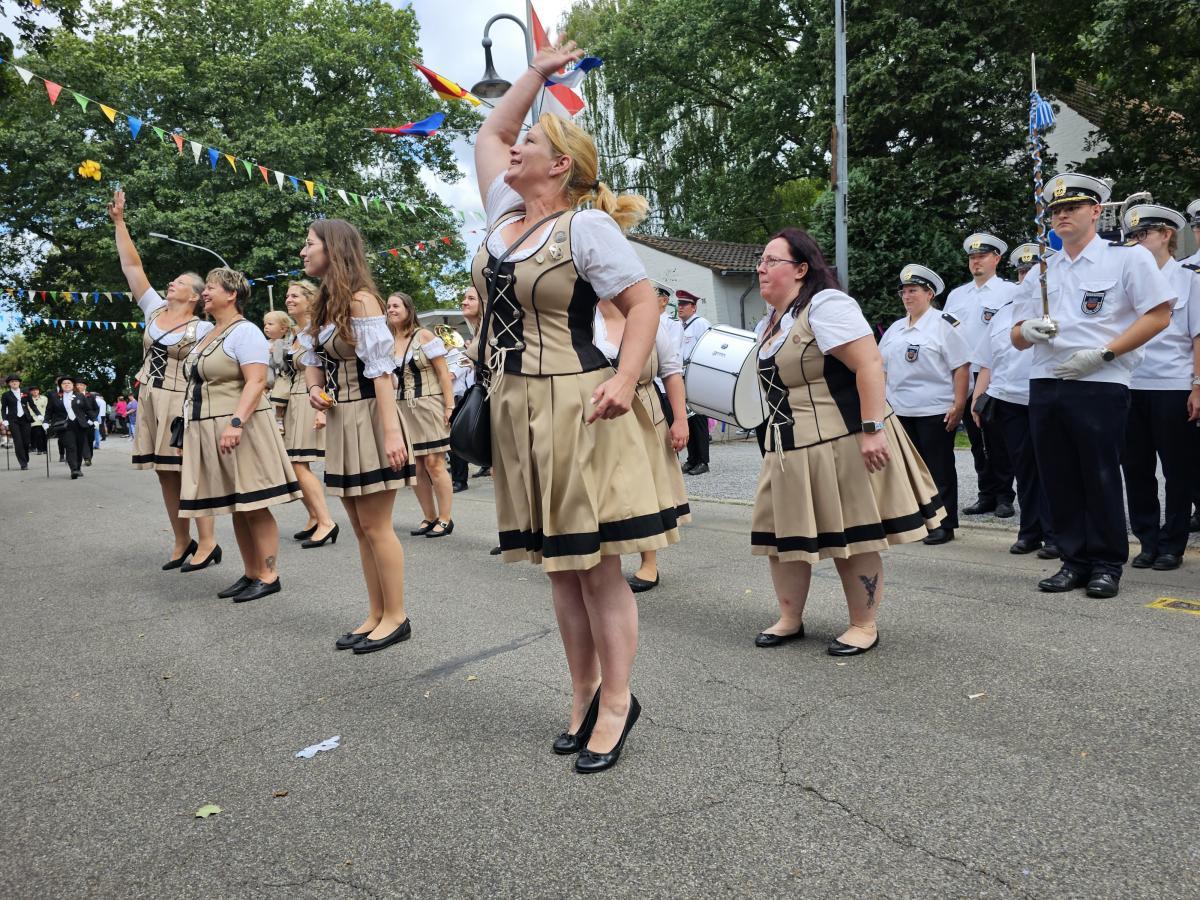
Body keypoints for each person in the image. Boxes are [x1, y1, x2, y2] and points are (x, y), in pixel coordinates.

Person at [472, 39, 672, 773]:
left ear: (560, 165)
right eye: (523, 141)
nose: (516, 148)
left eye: (533, 143)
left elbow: (642, 300)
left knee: (597, 569)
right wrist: (536, 75)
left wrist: (624, 378)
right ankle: (583, 690)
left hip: (575, 403)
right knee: (559, 568)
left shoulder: (584, 226)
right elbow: (489, 133)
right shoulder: (503, 215)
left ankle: (618, 701)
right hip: (516, 406)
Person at [752, 228, 944, 655]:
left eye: (771, 261)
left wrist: (872, 429)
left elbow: (869, 364)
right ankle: (789, 618)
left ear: (801, 269)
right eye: (760, 262)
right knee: (783, 538)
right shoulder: (770, 323)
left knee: (851, 537)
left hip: (840, 439)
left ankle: (864, 623)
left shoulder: (826, 306)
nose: (761, 269)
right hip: (788, 446)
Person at [1010, 172, 1174, 598]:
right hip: (1048, 380)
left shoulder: (1126, 260)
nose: (1062, 215)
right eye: (1056, 210)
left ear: (1096, 211)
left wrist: (1104, 354)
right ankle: (1073, 559)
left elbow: (1158, 315)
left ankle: (1105, 563)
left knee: (1099, 473)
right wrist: (1028, 329)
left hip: (1099, 379)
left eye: (1072, 207)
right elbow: (1013, 334)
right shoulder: (1043, 269)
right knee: (1058, 475)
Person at [300, 218, 417, 654]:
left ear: (334, 249)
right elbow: (309, 357)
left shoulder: (363, 301)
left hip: (370, 417)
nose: (303, 251)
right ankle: (374, 613)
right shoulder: (325, 304)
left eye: (309, 244)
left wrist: (392, 434)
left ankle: (396, 616)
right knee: (358, 525)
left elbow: (382, 373)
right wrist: (314, 388)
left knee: (376, 524)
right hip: (342, 421)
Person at [109, 189, 218, 570]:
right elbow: (133, 269)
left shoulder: (204, 326)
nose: (170, 284)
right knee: (163, 474)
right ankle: (181, 539)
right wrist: (120, 222)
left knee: (189, 469)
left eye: (178, 283)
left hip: (182, 400)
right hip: (151, 398)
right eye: (170, 282)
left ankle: (208, 542)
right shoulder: (154, 311)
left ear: (195, 295)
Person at [178, 268, 301, 602]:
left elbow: (256, 381)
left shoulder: (244, 332)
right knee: (237, 504)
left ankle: (269, 573)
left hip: (239, 425)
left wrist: (235, 423)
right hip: (209, 425)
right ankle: (251, 573)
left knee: (254, 503)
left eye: (212, 288)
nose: (205, 293)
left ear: (232, 294)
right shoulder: (211, 332)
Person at [1119, 203, 1200, 571]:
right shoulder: (1126, 277)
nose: (1136, 242)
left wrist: (1197, 385)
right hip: (1130, 385)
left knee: (1177, 471)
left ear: (1167, 235)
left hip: (1173, 386)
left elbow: (1198, 337)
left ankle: (1173, 544)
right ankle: (1147, 540)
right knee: (1135, 468)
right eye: (1132, 236)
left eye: (1143, 234)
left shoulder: (1189, 279)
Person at [593, 295, 690, 593]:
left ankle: (649, 562)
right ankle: (603, 555)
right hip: (599, 416)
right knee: (604, 488)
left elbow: (671, 372)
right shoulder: (584, 318)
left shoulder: (649, 317)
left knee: (645, 486)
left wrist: (681, 419)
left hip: (644, 412)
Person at [970, 262, 1058, 559]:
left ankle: (1055, 534)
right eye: (1022, 273)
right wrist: (978, 397)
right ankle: (1030, 532)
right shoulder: (1003, 314)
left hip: (1045, 397)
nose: (1026, 278)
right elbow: (987, 361)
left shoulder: (1055, 306)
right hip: (1009, 400)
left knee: (1051, 470)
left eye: (1033, 271)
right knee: (1024, 470)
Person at [878, 265, 970, 544]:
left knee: (938, 469)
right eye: (903, 291)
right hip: (900, 410)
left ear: (929, 294)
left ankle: (944, 523)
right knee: (909, 469)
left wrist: (959, 404)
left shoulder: (945, 324)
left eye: (913, 291)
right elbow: (880, 369)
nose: (907, 296)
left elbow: (961, 367)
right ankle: (918, 520)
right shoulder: (895, 328)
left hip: (934, 410)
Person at [944, 233, 1019, 517]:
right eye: (972, 257)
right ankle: (985, 493)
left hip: (996, 376)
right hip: (966, 374)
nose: (976, 261)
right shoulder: (957, 295)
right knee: (977, 441)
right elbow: (948, 334)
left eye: (982, 256)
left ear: (996, 259)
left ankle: (1004, 496)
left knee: (998, 440)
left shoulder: (1008, 292)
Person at [386, 291, 456, 538]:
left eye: (396, 305)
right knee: (415, 466)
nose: (391, 309)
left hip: (429, 404)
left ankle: (445, 518)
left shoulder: (424, 335)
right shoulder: (388, 340)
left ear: (408, 308)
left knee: (434, 463)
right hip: (403, 407)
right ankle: (429, 516)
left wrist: (449, 406)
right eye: (388, 306)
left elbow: (443, 373)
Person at [279, 280, 335, 547]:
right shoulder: (295, 334)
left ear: (310, 300)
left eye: (294, 296)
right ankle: (313, 516)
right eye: (287, 296)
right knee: (292, 464)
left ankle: (326, 521)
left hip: (310, 399)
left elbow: (328, 372)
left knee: (299, 462)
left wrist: (323, 409)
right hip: (293, 401)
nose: (288, 299)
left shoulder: (318, 330)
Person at [447, 287, 479, 493]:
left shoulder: (459, 354)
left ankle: (461, 479)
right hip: (468, 396)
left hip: (465, 398)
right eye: (463, 298)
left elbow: (449, 376)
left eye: (471, 298)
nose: (463, 302)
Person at [677, 288, 712, 475]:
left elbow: (707, 348)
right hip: (683, 375)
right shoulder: (681, 326)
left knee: (698, 418)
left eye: (684, 304)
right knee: (687, 419)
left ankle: (703, 461)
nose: (680, 308)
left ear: (694, 307)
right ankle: (692, 458)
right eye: (679, 304)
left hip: (695, 375)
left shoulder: (700, 324)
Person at [43, 377, 93, 478]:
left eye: (69, 383)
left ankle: (78, 468)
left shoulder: (80, 396)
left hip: (80, 425)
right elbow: (49, 411)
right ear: (60, 386)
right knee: (70, 447)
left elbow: (88, 410)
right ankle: (73, 469)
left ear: (73, 385)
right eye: (64, 383)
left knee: (79, 448)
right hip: (64, 426)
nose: (66, 385)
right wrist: (45, 421)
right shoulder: (55, 397)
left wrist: (93, 420)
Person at [2, 374, 32, 470]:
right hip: (13, 420)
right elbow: (3, 409)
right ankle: (23, 463)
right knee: (18, 442)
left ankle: (25, 457)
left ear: (19, 383)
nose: (14, 383)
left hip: (25, 419)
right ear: (9, 384)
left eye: (16, 381)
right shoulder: (6, 395)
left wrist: (39, 415)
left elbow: (31, 404)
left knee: (26, 441)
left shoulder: (25, 393)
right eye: (12, 382)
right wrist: (5, 420)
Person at [74, 381, 98, 465]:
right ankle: (84, 458)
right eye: (77, 385)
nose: (79, 386)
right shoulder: (74, 396)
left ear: (85, 386)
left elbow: (95, 409)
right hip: (79, 422)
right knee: (81, 440)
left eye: (81, 385)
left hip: (90, 421)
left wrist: (93, 419)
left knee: (90, 440)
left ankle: (89, 456)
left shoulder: (90, 396)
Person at [28, 386, 48, 454]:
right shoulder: (29, 399)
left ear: (39, 391)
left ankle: (45, 449)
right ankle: (39, 449)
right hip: (34, 419)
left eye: (36, 390)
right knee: (38, 433)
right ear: (30, 392)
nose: (35, 391)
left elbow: (48, 408)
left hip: (44, 418)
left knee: (44, 435)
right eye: (33, 390)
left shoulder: (44, 398)